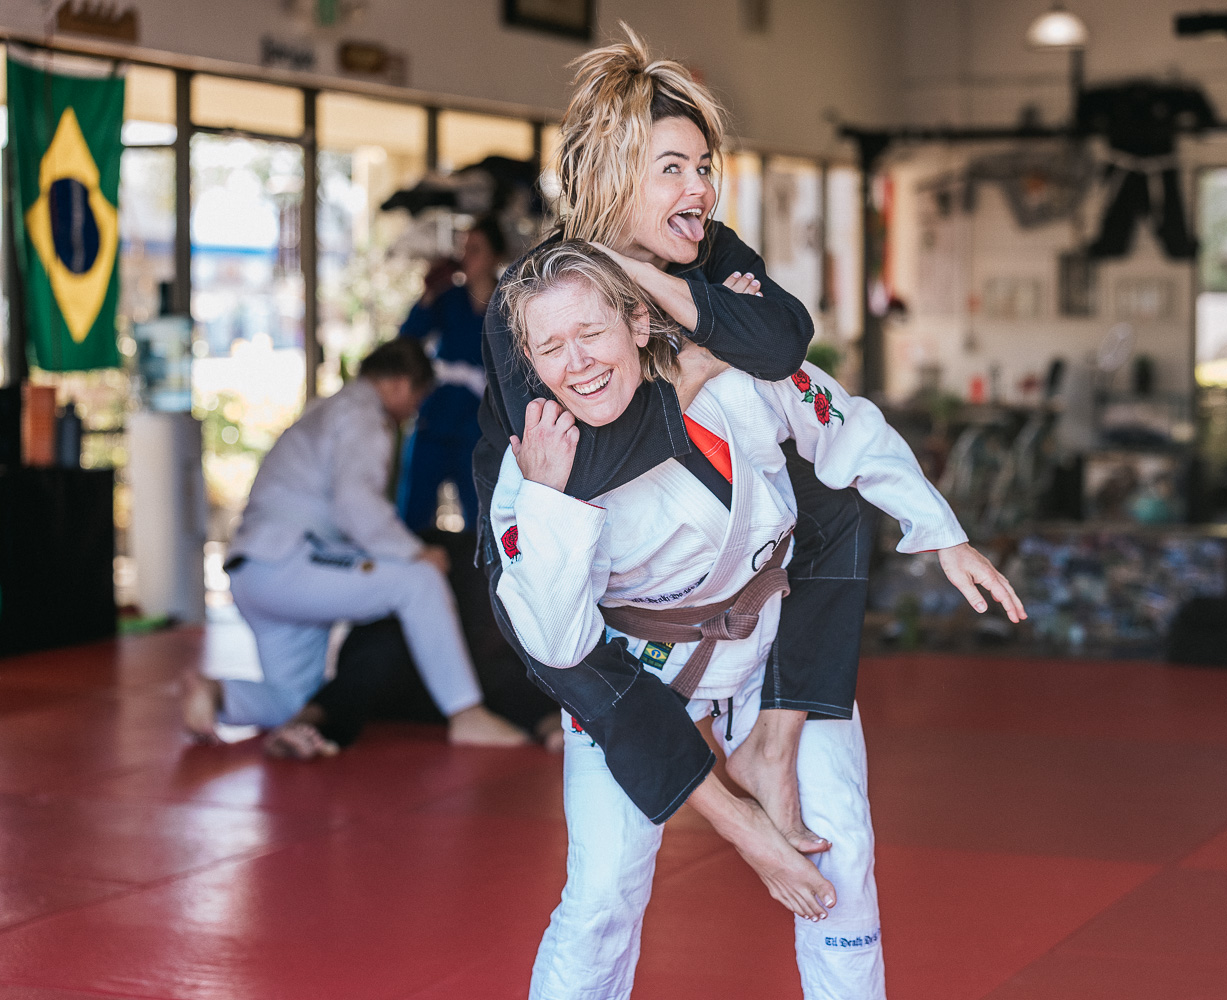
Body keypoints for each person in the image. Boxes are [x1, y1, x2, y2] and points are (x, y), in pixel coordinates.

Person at [493, 241, 1024, 999]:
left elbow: (848, 428)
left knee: (840, 849)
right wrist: (553, 500)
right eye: (549, 347)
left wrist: (942, 533)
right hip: (638, 674)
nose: (575, 363)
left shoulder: (732, 374)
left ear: (639, 321)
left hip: (767, 648)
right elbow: (558, 645)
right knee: (603, 893)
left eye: (590, 333)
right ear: (529, 362)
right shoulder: (536, 466)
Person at [473, 25, 909, 857]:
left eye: (704, 168)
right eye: (671, 168)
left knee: (830, 505)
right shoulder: (539, 294)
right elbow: (583, 463)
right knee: (580, 664)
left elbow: (782, 340)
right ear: (611, 175)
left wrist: (664, 290)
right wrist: (697, 365)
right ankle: (729, 812)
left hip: (681, 525)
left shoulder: (699, 249)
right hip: (542, 532)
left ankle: (774, 747)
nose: (700, 188)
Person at [181, 339, 528, 753]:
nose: (416, 409)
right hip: (288, 561)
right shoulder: (365, 414)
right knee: (419, 580)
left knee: (294, 699)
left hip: (255, 570)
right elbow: (355, 503)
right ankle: (465, 714)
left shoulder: (327, 409)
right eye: (418, 397)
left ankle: (218, 696)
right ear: (400, 385)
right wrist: (414, 552)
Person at [295, 528, 566, 753]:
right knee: (368, 666)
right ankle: (304, 727)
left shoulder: (491, 650)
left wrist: (556, 727)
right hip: (404, 673)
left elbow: (524, 686)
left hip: (469, 674)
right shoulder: (392, 633)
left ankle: (556, 730)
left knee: (512, 678)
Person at [397, 216, 509, 533]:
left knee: (482, 519)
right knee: (413, 515)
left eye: (475, 249)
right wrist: (429, 291)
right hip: (436, 418)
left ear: (496, 257)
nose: (465, 257)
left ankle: (477, 580)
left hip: (482, 426)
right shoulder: (448, 298)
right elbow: (408, 339)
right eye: (463, 249)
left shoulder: (511, 302)